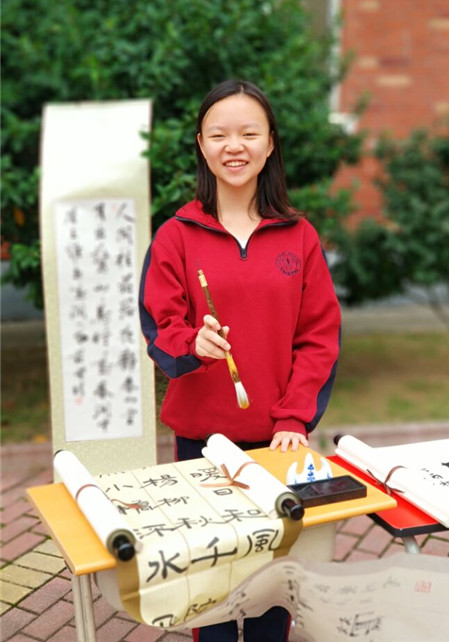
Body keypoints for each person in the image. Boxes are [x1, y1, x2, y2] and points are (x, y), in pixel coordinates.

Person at [139, 79, 341, 642]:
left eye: (249, 133)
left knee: (274, 586)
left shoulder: (299, 236)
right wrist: (192, 344)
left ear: (270, 144)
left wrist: (293, 417)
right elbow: (159, 326)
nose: (235, 146)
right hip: (201, 446)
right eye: (219, 134)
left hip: (279, 443)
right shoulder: (176, 236)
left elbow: (319, 336)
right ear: (201, 145)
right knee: (214, 591)